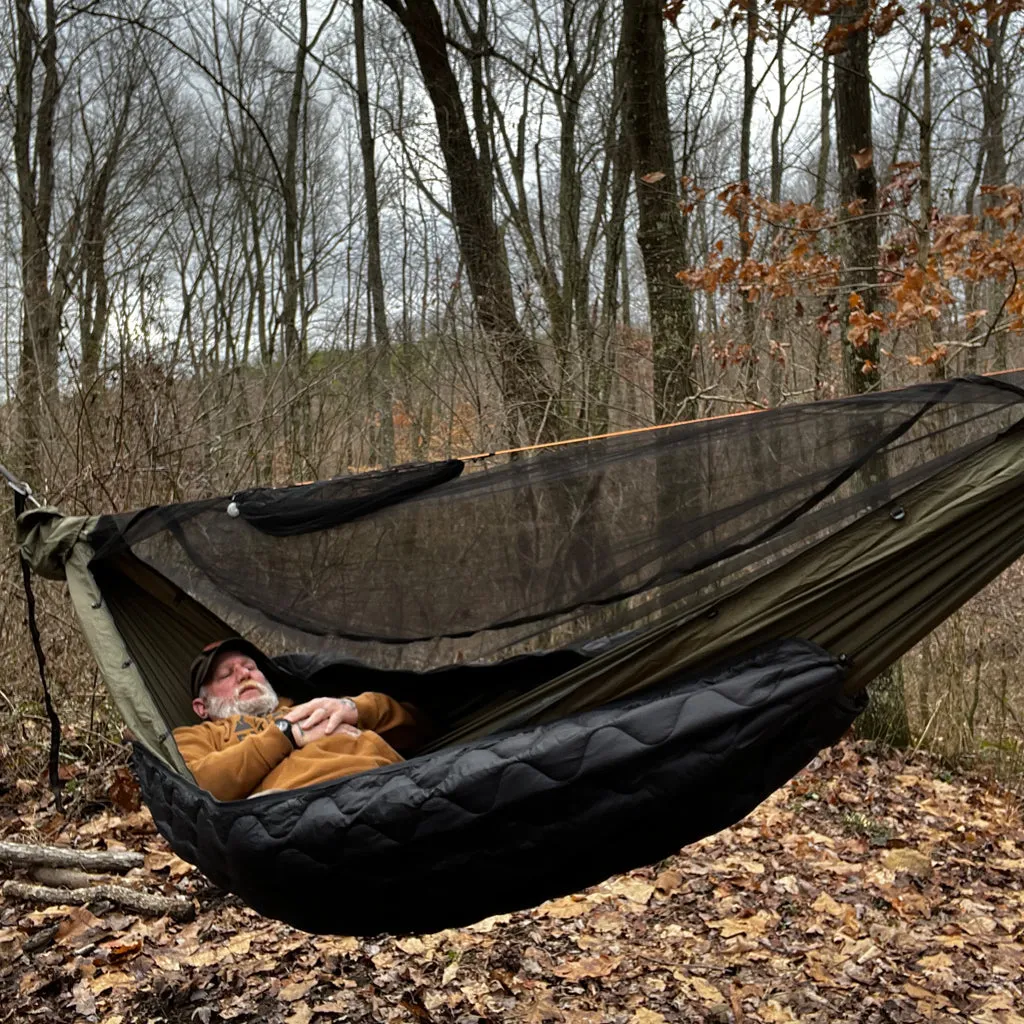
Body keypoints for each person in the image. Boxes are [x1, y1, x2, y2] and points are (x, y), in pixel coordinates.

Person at [173, 637, 424, 801]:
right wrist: (286, 735)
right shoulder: (197, 736)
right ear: (201, 707)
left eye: (250, 668)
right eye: (225, 674)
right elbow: (195, 787)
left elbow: (418, 727)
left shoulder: (316, 704)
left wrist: (357, 708)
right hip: (301, 805)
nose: (243, 675)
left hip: (392, 784)